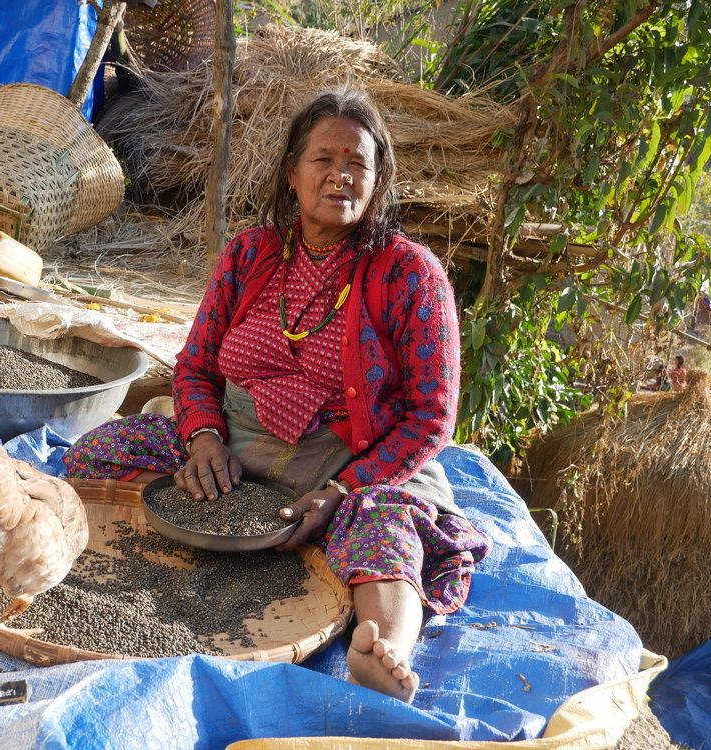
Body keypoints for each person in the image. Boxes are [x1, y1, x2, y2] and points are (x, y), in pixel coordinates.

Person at [64, 89, 489, 703]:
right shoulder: (250, 254)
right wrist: (204, 439)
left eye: (358, 163)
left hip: (350, 460)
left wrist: (341, 490)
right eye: (324, 159)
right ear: (292, 172)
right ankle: (171, 532)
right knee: (96, 454)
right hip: (236, 449)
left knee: (385, 525)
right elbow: (195, 367)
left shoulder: (408, 272)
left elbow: (432, 417)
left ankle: (382, 650)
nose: (341, 175)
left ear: (377, 181)